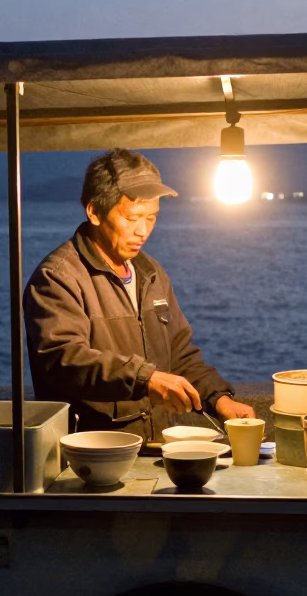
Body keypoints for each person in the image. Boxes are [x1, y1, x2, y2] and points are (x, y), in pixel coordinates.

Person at [23, 148, 254, 448]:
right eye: (132, 217)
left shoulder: (151, 273)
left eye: (152, 218)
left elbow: (179, 353)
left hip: (155, 450)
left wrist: (218, 398)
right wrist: (145, 379)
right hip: (90, 456)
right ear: (94, 211)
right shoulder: (58, 277)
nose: (142, 231)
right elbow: (63, 359)